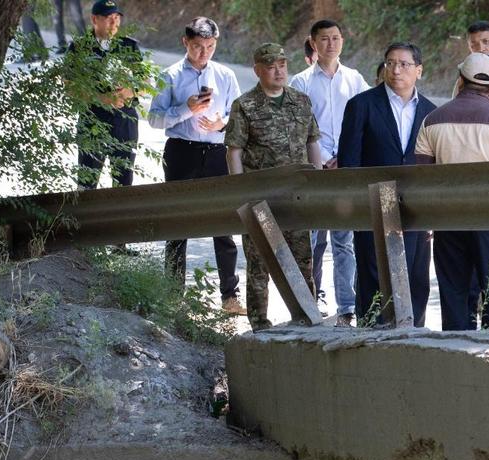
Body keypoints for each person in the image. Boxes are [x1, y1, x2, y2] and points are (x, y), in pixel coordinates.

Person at [415, 53, 489, 331]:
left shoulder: (431, 120)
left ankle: (456, 349)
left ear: (460, 80)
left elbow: (422, 177)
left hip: (448, 218)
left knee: (454, 290)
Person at [148, 17, 244, 315]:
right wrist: (185, 109)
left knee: (224, 224)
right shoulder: (171, 75)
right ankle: (173, 295)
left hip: (216, 151)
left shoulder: (226, 75)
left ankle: (230, 296)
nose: (204, 53)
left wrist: (222, 123)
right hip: (181, 151)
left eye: (210, 47)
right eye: (197, 47)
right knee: (178, 222)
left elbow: (239, 116)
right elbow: (153, 118)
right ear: (185, 43)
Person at [225, 43, 323, 331]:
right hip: (260, 198)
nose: (278, 70)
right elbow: (234, 151)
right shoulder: (245, 105)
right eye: (270, 66)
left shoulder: (301, 101)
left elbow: (312, 142)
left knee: (303, 261)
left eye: (281, 64)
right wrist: (240, 191)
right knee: (259, 264)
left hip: (296, 197)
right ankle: (260, 323)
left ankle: (307, 317)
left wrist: (318, 182)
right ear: (257, 70)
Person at [338, 42, 437, 327]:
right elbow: (349, 163)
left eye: (404, 64)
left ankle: (413, 334)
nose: (395, 70)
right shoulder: (362, 105)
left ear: (419, 70)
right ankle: (370, 333)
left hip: (416, 209)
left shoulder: (430, 112)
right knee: (373, 274)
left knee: (416, 275)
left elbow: (433, 167)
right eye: (390, 62)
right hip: (372, 206)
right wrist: (355, 209)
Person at [288, 19, 370, 326]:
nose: (331, 44)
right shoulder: (301, 82)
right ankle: (310, 299)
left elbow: (364, 121)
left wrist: (345, 158)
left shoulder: (355, 79)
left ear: (342, 41)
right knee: (312, 239)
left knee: (343, 241)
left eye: (336, 38)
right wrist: (321, 158)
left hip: (345, 170)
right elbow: (297, 128)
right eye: (324, 39)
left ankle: (347, 305)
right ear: (313, 43)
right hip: (313, 170)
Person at [69, 0, 140, 192]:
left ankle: (120, 221)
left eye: (117, 18)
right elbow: (70, 88)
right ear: (94, 19)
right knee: (86, 183)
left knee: (123, 184)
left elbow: (145, 84)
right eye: (109, 18)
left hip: (124, 124)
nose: (114, 23)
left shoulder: (129, 46)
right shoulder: (79, 47)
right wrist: (102, 99)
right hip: (92, 123)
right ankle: (84, 221)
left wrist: (127, 92)